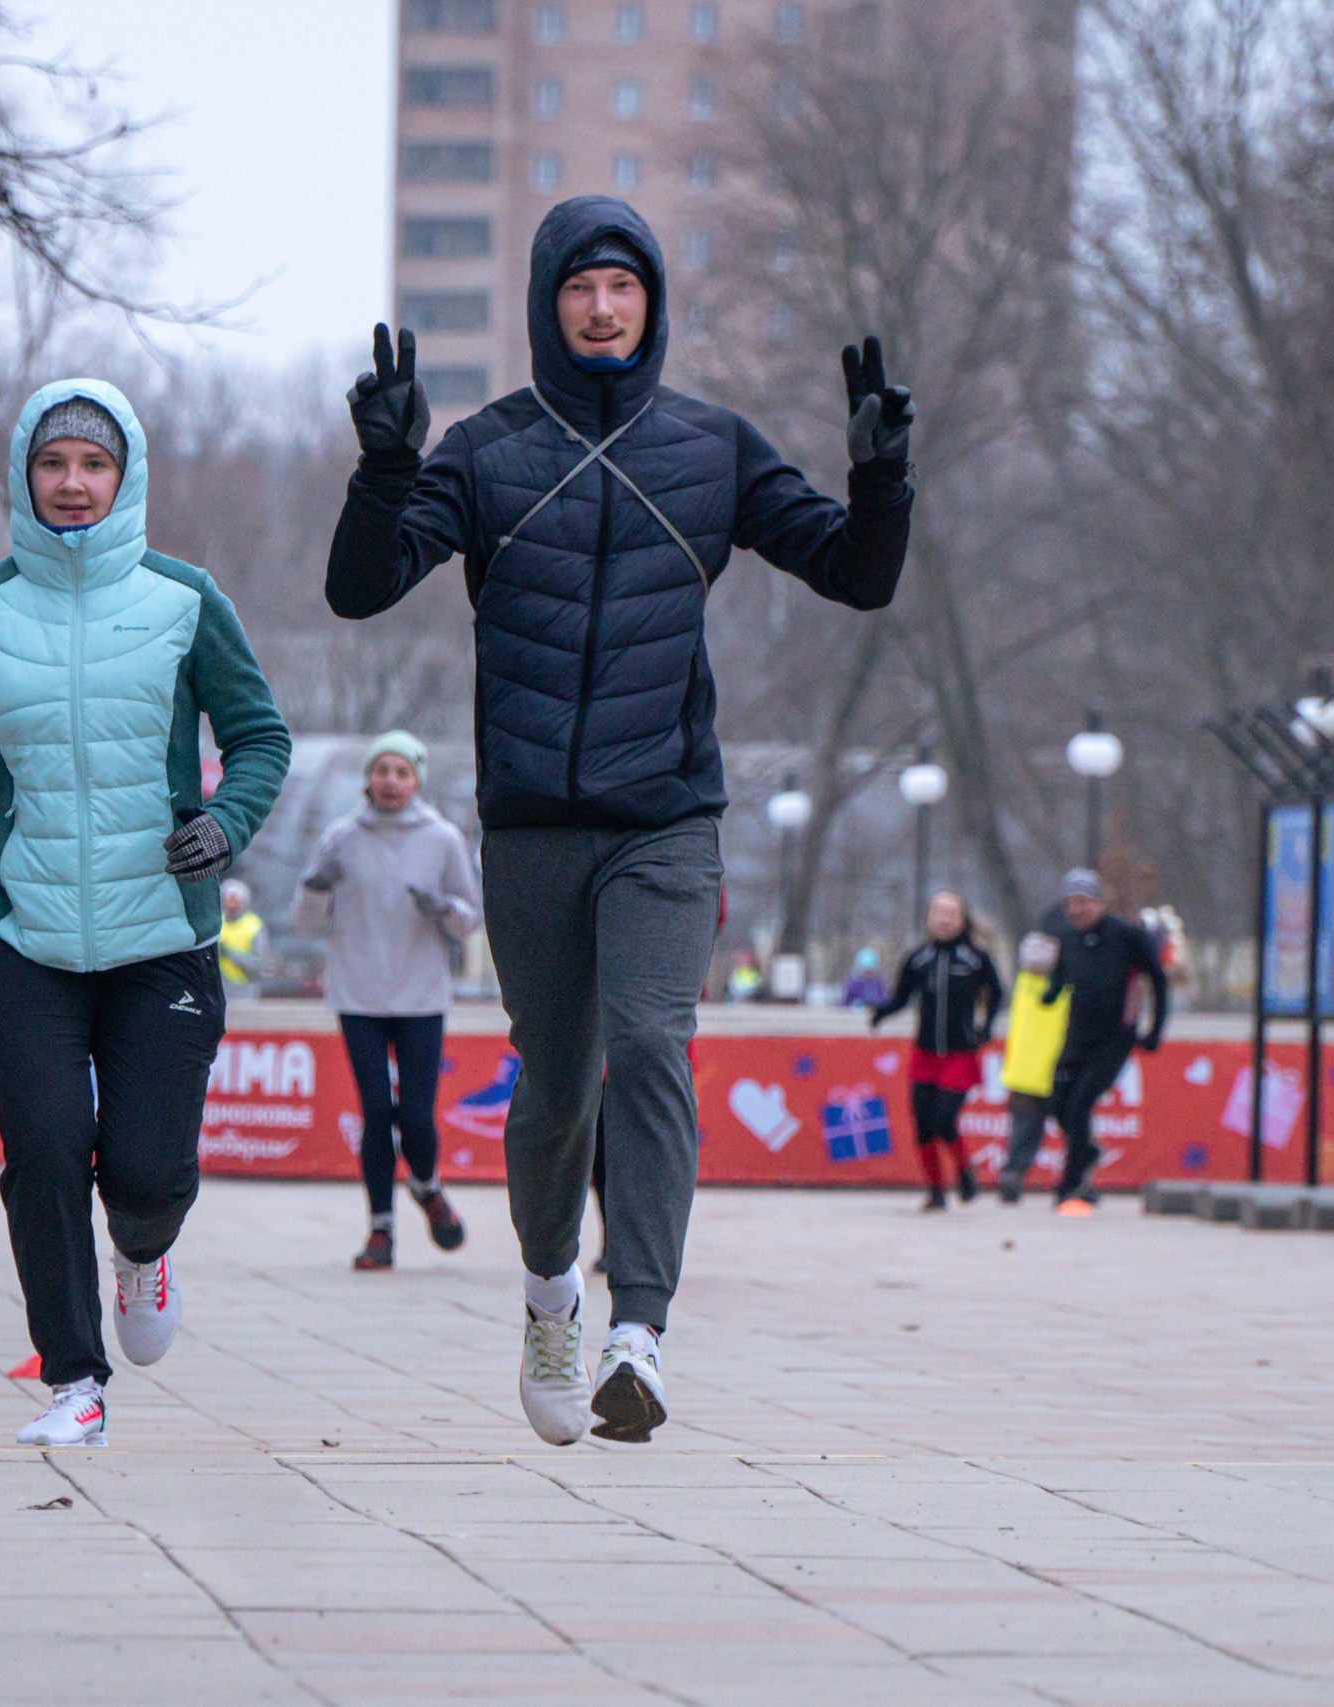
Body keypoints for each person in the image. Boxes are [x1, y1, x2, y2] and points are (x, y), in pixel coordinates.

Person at [326, 195, 914, 1445]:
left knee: (649, 1045)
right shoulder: (489, 451)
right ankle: (551, 1297)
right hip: (534, 826)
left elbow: (858, 577)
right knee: (551, 1094)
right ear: (548, 305)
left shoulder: (711, 449)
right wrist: (385, 470)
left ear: (652, 304)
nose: (602, 307)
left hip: (664, 817)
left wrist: (881, 480)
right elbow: (359, 588)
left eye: (624, 287)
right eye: (580, 288)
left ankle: (637, 1330)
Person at [0, 380, 291, 1447]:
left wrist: (225, 824)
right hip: (23, 929)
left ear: (125, 475)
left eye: (93, 464)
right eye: (53, 464)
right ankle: (73, 1384)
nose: (73, 482)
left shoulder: (185, 601)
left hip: (163, 935)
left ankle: (143, 1252)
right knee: (45, 1149)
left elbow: (261, 738)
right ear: (25, 477)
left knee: (144, 1172)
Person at [292, 729, 481, 1270]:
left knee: (417, 1119)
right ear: (368, 778)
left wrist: (441, 907)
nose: (391, 781)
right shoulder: (341, 837)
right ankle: (381, 1231)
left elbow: (469, 919)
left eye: (402, 772)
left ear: (416, 779)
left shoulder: (441, 838)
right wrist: (316, 886)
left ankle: (426, 1185)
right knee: (377, 1113)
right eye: (382, 770)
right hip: (358, 994)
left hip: (421, 996)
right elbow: (305, 923)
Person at [1041, 869, 1167, 1214]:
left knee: (1081, 1105)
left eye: (1083, 902)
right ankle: (1088, 1153)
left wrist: (1155, 1029)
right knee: (1057, 1105)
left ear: (1098, 902)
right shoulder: (1066, 938)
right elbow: (1062, 976)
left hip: (1114, 1039)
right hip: (1076, 1036)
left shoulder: (1126, 937)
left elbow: (1158, 980)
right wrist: (1050, 994)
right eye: (1070, 904)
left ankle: (1069, 1185)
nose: (1076, 910)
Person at [869, 891, 1001, 1212]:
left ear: (961, 920)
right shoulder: (918, 958)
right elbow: (901, 997)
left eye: (951, 913)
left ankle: (965, 1169)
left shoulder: (975, 958)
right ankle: (935, 1190)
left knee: (944, 1118)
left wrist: (985, 1027)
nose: (944, 919)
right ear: (929, 918)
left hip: (960, 1054)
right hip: (925, 1053)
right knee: (923, 1124)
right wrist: (881, 1013)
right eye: (938, 913)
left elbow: (996, 993)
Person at [994, 930, 1070, 1204]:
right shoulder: (1064, 987)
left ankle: (1012, 1173)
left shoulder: (1023, 984)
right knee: (1074, 1127)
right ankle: (1078, 1180)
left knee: (1024, 1131)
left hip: (1023, 1072)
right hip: (1057, 1070)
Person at [218, 879, 268, 998]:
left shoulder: (254, 925)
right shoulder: (217, 922)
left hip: (245, 988)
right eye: (228, 899)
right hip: (218, 986)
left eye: (235, 900)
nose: (231, 904)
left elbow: (259, 964)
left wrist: (228, 953)